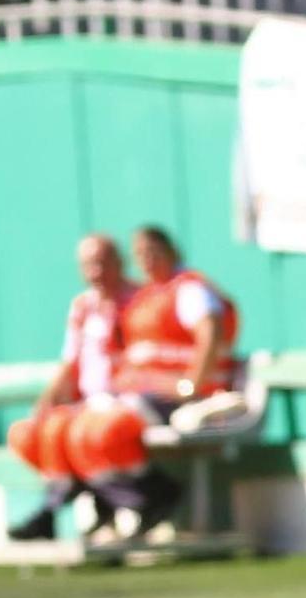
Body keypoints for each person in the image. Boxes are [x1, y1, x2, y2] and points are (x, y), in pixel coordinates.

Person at [67, 226, 240, 538]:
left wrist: (190, 389)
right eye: (140, 255)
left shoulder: (188, 289)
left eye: (152, 252)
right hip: (146, 393)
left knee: (106, 431)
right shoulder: (149, 296)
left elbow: (210, 334)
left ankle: (154, 496)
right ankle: (123, 501)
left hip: (176, 397)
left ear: (170, 250)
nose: (146, 261)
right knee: (80, 429)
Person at [6, 234, 135, 542]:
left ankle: (53, 513)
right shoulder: (82, 307)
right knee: (41, 430)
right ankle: (59, 513)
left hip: (126, 402)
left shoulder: (137, 301)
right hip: (91, 404)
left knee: (73, 433)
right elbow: (70, 362)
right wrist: (47, 401)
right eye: (89, 265)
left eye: (102, 263)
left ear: (119, 263)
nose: (96, 272)